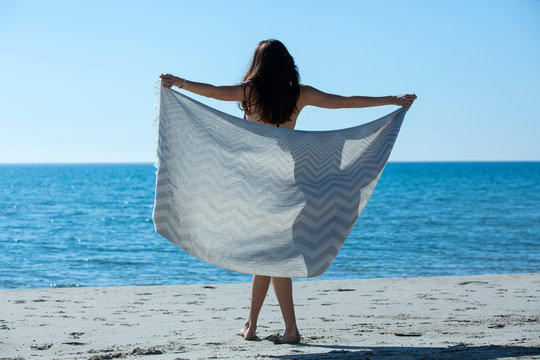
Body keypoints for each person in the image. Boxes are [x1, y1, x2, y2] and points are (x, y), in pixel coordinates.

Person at [160, 39, 416, 344]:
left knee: (272, 258)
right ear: (287, 64)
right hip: (293, 188)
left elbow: (214, 92)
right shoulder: (299, 94)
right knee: (269, 257)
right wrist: (392, 100)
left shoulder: (250, 91)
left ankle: (286, 329)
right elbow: (345, 101)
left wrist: (180, 83)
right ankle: (252, 324)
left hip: (256, 188)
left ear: (258, 63)